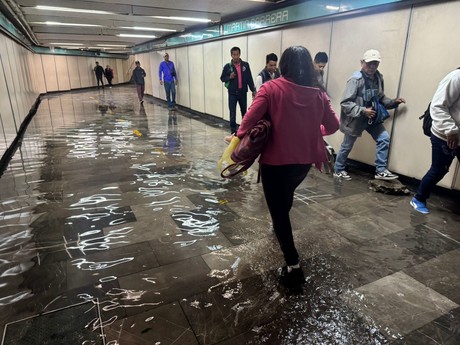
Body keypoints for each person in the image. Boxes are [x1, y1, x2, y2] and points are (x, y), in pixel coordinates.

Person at [235, 46, 339, 289]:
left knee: (278, 210)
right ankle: (280, 228)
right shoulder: (318, 94)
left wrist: (238, 136)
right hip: (303, 162)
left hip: (275, 160)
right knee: (285, 197)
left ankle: (293, 265)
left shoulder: (270, 89)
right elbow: (333, 126)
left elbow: (249, 120)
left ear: (283, 65)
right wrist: (315, 133)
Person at [333, 49, 406, 181]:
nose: (372, 67)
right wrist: (362, 110)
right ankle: (338, 169)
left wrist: (394, 102)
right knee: (347, 145)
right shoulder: (355, 80)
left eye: (375, 63)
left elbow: (380, 98)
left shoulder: (378, 78)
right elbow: (345, 103)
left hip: (372, 117)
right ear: (362, 62)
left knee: (384, 138)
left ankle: (381, 170)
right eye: (369, 63)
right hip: (356, 118)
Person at [410, 68, 460, 214]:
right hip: (445, 134)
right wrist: (451, 130)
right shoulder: (456, 77)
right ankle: (418, 198)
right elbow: (437, 105)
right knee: (439, 169)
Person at [220, 47, 257, 134]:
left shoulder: (245, 65)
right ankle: (233, 132)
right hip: (232, 93)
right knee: (232, 113)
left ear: (240, 54)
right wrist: (229, 77)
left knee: (244, 112)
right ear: (231, 55)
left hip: (242, 92)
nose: (235, 57)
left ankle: (244, 130)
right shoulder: (227, 66)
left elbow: (249, 78)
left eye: (237, 54)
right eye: (234, 55)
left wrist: (253, 90)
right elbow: (222, 78)